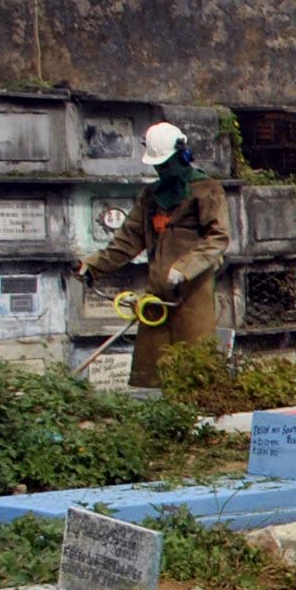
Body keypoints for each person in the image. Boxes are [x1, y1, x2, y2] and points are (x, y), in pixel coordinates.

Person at [81, 120, 230, 389]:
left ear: (181, 157)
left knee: (194, 372)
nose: (161, 169)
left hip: (191, 297)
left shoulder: (207, 190)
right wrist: (92, 266)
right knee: (153, 374)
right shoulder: (151, 196)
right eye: (157, 164)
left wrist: (185, 268)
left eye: (166, 163)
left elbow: (218, 238)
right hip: (156, 299)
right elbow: (127, 241)